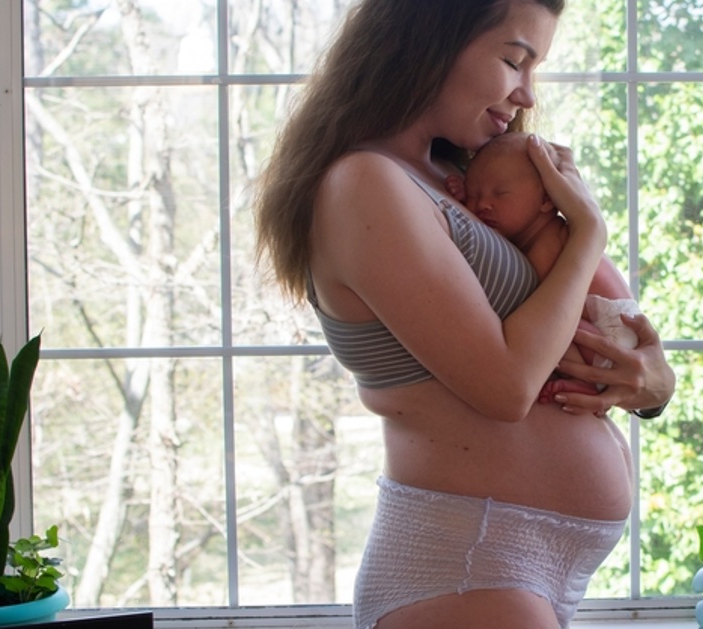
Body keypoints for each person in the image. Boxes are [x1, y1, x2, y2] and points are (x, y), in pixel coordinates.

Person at [250, 0, 676, 627]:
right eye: (514, 60)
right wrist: (588, 230)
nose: (526, 92)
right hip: (467, 560)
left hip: (501, 565)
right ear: (428, 37)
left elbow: (587, 321)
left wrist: (652, 388)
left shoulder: (455, 180)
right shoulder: (364, 183)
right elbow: (504, 386)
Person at [448, 131, 645, 401]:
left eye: (500, 193)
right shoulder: (531, 233)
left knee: (554, 324)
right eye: (474, 193)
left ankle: (581, 380)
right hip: (611, 337)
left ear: (547, 200)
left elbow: (540, 306)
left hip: (611, 333)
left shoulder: (550, 241)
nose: (482, 203)